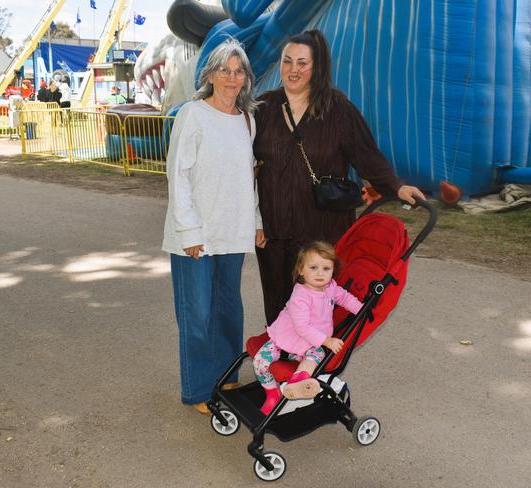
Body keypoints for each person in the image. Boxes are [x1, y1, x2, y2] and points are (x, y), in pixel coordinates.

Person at [253, 29, 426, 324]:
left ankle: (315, 367)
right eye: (287, 61)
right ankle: (276, 365)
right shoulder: (263, 108)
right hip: (274, 228)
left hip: (323, 229)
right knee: (278, 299)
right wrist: (253, 220)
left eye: (302, 63)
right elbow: (245, 165)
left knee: (318, 305)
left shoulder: (337, 109)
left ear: (317, 67)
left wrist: (395, 187)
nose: (293, 70)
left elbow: (366, 154)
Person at [161, 39, 264, 415]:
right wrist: (189, 233)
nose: (232, 77)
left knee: (227, 309)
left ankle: (227, 375)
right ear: (210, 74)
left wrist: (255, 222)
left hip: (231, 232)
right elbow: (179, 176)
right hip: (197, 236)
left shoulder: (246, 120)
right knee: (198, 313)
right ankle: (200, 389)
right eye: (225, 69)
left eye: (239, 71)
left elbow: (246, 179)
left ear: (246, 78)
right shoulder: (193, 114)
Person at [253, 241, 362, 415]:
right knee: (260, 362)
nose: (320, 273)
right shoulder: (301, 295)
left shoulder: (330, 287)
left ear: (333, 271)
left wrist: (362, 309)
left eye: (326, 269)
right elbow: (302, 327)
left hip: (312, 343)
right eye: (313, 268)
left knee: (315, 356)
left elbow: (344, 297)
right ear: (301, 271)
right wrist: (327, 340)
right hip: (288, 337)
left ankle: (299, 382)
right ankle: (272, 393)